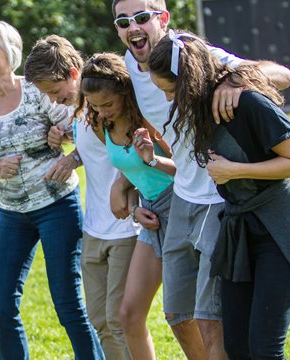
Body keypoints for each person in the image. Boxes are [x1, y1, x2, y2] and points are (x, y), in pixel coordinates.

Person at [111, 0, 290, 358]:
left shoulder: (192, 56)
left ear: (162, 18)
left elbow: (283, 74)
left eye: (142, 18)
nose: (133, 27)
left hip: (219, 200)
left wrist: (234, 79)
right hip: (183, 197)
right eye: (123, 21)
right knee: (178, 314)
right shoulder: (130, 67)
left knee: (213, 321)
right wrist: (123, 182)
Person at [148, 31, 290, 359]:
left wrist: (234, 171)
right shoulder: (198, 112)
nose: (170, 100)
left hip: (277, 232)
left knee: (264, 348)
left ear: (191, 82)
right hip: (238, 233)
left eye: (171, 91)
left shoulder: (248, 103)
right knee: (236, 347)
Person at [0, 20, 103, 359]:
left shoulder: (37, 89)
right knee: (0, 307)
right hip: (11, 213)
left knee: (68, 303)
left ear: (10, 53)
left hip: (57, 204)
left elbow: (84, 123)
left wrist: (64, 138)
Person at [24, 36, 141, 359]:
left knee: (118, 321)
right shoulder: (79, 112)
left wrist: (122, 186)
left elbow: (137, 152)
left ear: (74, 74)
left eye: (54, 91)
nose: (53, 100)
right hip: (95, 227)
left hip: (125, 226)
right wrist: (71, 156)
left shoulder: (107, 106)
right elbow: (95, 150)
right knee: (100, 320)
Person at [74, 52, 178, 360]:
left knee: (183, 311)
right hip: (150, 211)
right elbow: (132, 174)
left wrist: (153, 158)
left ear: (125, 92)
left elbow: (186, 169)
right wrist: (131, 202)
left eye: (107, 104)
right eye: (93, 105)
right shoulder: (98, 123)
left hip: (179, 207)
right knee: (127, 314)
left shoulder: (147, 120)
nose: (101, 111)